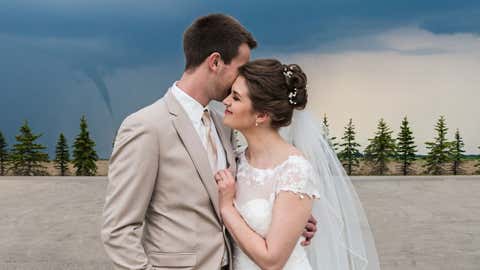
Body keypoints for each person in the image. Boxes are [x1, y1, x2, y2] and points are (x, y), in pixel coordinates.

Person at [100, 14, 317, 270]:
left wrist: (285, 218)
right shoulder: (146, 127)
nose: (241, 79)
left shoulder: (222, 123)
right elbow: (118, 229)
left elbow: (243, 192)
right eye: (241, 68)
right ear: (215, 62)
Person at [215, 59, 381, 269]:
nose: (226, 101)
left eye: (236, 97)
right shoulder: (236, 160)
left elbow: (272, 261)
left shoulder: (294, 169)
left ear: (262, 115)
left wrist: (227, 208)